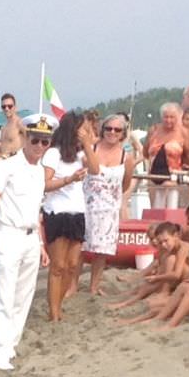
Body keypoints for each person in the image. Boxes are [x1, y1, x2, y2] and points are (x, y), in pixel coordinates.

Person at [0, 116, 51, 371]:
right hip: (8, 233)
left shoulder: (40, 171)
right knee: (4, 293)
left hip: (31, 236)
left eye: (44, 142)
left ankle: (10, 345)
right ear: (25, 138)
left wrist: (42, 244)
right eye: (35, 140)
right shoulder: (7, 166)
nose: (39, 146)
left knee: (24, 295)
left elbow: (36, 210)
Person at [40, 109, 91, 322]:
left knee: (71, 265)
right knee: (58, 265)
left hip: (77, 211)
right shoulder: (53, 153)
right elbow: (44, 184)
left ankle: (58, 305)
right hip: (57, 212)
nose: (85, 131)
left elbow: (96, 169)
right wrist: (68, 180)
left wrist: (88, 145)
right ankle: (54, 313)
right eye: (82, 128)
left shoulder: (80, 155)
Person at [84, 112, 133, 295]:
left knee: (101, 251)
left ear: (122, 133)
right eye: (109, 128)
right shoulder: (91, 148)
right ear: (102, 129)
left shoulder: (125, 157)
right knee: (79, 248)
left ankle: (94, 286)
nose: (112, 132)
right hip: (86, 204)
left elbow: (126, 183)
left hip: (109, 208)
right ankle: (71, 284)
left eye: (117, 130)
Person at [0, 91, 24, 157]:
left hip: (16, 162)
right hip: (4, 162)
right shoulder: (4, 127)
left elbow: (31, 141)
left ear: (15, 107)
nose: (6, 109)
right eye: (4, 107)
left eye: (9, 106)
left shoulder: (19, 123)